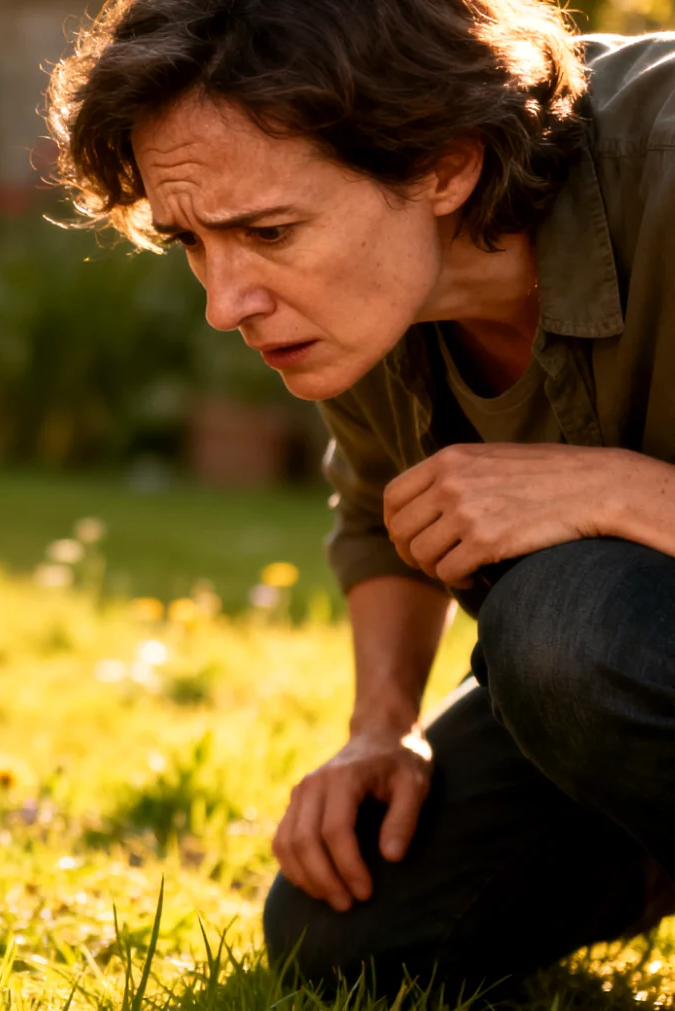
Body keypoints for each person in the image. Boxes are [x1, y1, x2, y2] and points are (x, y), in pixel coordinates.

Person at [46, 0, 675, 991]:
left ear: (445, 163)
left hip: (608, 651)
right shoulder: (377, 305)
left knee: (563, 627)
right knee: (343, 927)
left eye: (269, 231)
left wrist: (620, 491)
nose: (225, 304)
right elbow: (384, 515)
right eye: (192, 245)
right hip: (634, 693)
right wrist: (384, 727)